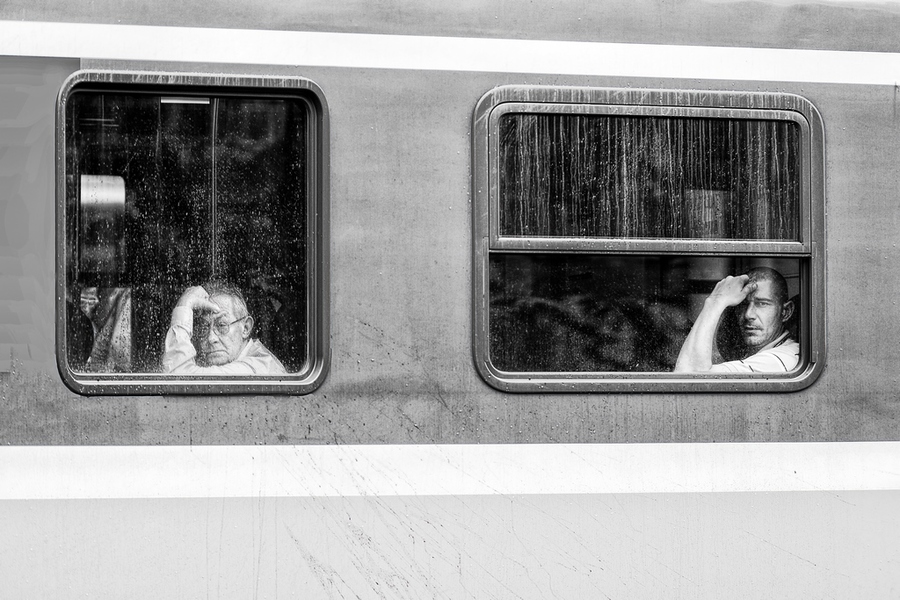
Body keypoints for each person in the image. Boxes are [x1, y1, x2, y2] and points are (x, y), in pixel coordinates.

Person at [674, 267, 799, 373]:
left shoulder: (779, 360)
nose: (748, 315)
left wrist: (716, 301)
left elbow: (689, 375)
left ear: (786, 312)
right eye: (743, 304)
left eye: (762, 304)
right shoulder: (759, 353)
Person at [162, 283, 287, 375]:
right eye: (204, 328)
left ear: (246, 328)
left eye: (222, 325)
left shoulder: (258, 367)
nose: (211, 338)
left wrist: (184, 305)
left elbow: (178, 380)